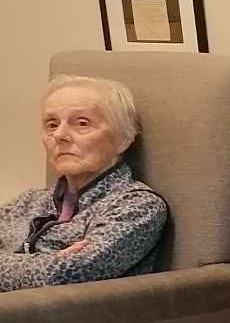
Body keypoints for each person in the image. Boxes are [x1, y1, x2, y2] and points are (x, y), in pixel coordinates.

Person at [2, 76, 167, 293]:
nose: (60, 135)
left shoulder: (138, 206)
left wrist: (47, 267)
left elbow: (64, 275)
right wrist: (45, 262)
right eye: (51, 124)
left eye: (82, 123)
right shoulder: (29, 201)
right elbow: (49, 271)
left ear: (124, 139)